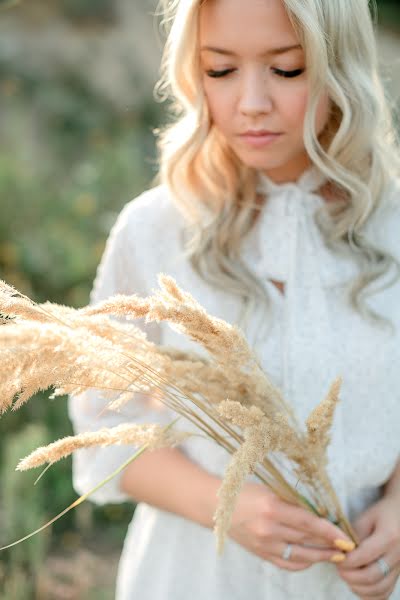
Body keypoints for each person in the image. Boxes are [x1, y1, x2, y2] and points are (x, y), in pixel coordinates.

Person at [68, 0, 400, 598]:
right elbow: (102, 431)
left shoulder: (393, 228)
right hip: (197, 576)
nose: (251, 103)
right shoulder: (154, 230)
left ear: (339, 66)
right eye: (221, 71)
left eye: (287, 69)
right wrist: (230, 505)